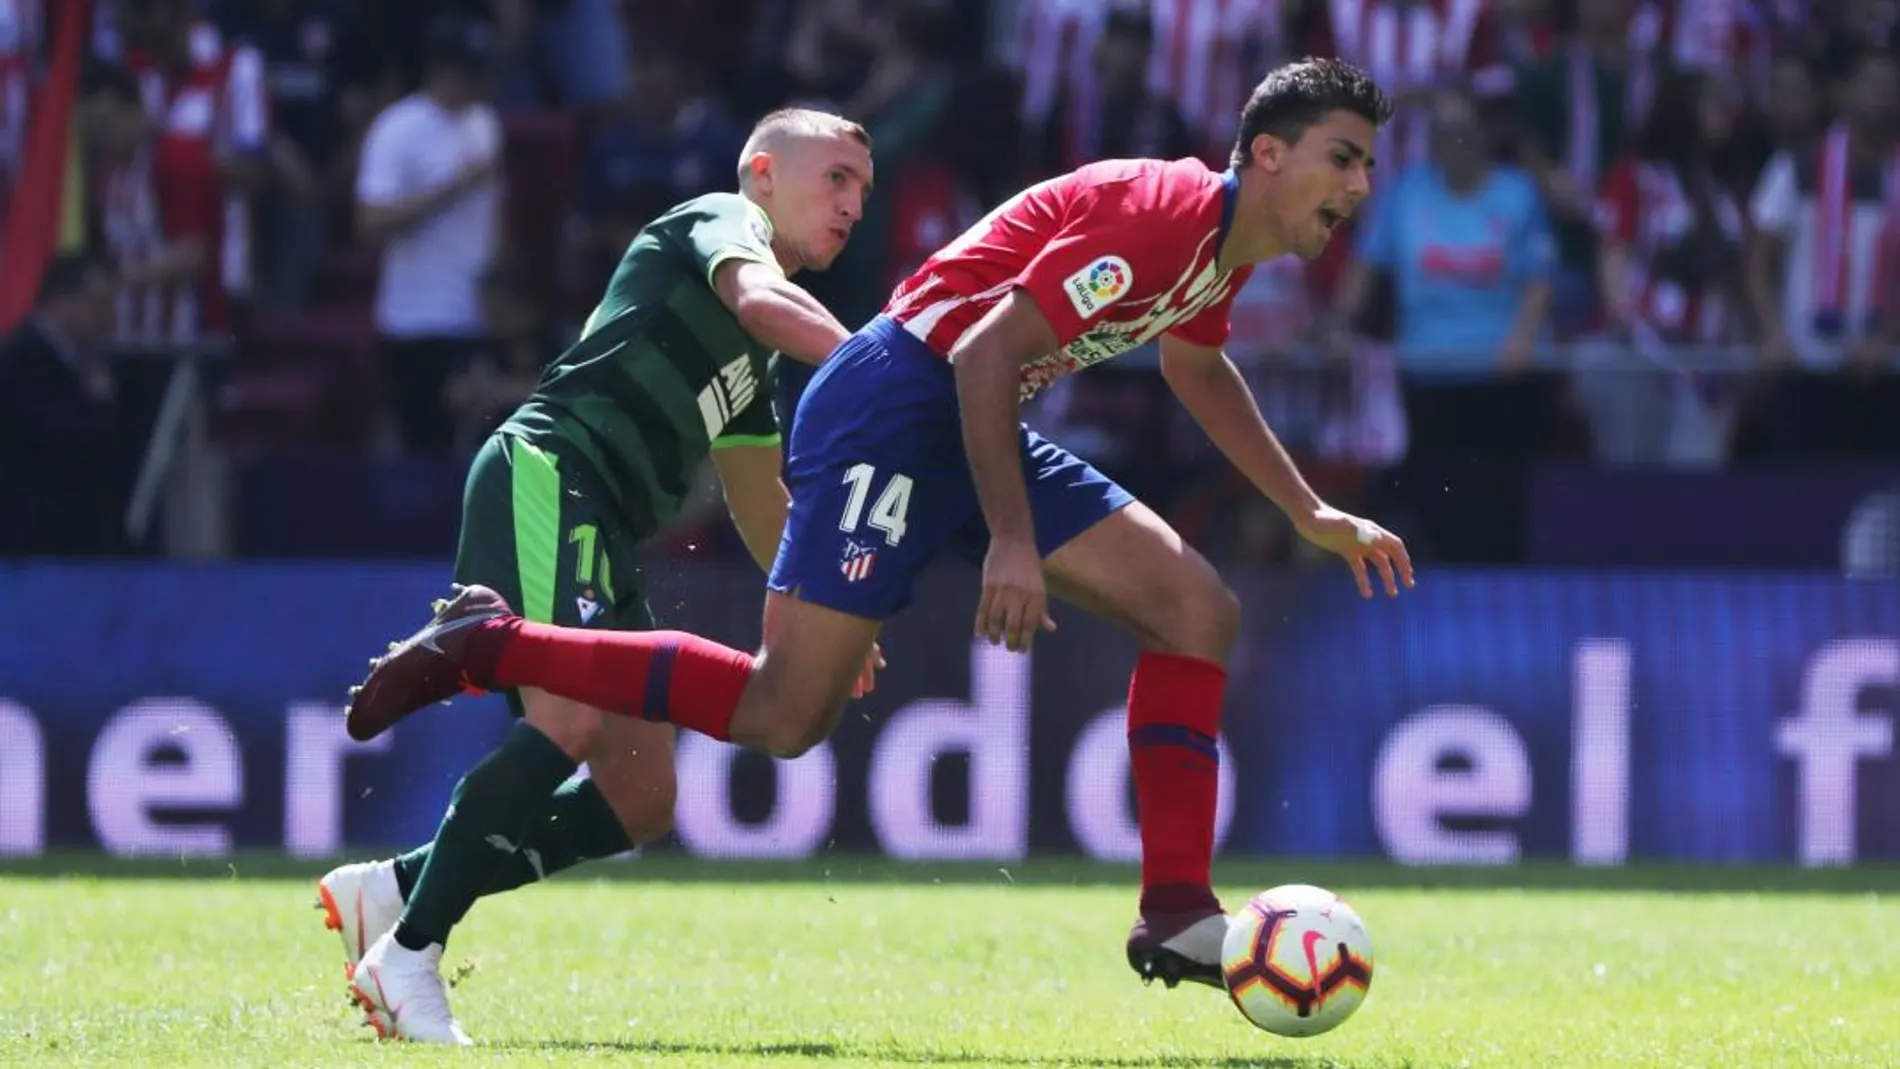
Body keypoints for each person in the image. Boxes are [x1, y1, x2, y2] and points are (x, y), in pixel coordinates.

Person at [347, 57, 1411, 1003]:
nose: (1360, 187)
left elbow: (1193, 364)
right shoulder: (1162, 218)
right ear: (1266, 154)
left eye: (1365, 165)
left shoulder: (1218, 254)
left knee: (1197, 610)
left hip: (960, 413)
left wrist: (1305, 508)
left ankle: (1176, 907)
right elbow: (988, 353)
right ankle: (485, 648)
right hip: (899, 402)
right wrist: (1006, 538)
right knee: (781, 712)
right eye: (1343, 159)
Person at [323, 107, 877, 1045]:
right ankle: (409, 952)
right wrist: (880, 362)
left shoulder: (754, 358)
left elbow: (760, 501)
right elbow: (756, 300)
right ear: (763, 172)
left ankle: (399, 886)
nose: (854, 204)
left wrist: (832, 615)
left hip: (601, 529)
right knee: (570, 720)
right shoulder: (720, 223)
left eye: (864, 189)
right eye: (836, 178)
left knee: (642, 794)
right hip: (547, 475)